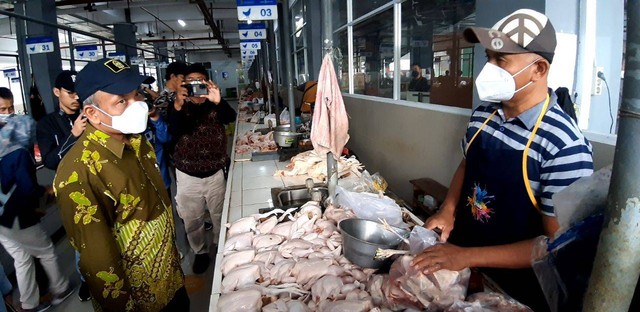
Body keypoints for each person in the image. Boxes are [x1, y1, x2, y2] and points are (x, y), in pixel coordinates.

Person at [411, 9, 594, 311]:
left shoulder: (563, 145)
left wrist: (467, 257)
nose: (490, 68)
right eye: (489, 57)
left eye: (502, 59)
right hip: (464, 258)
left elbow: (554, 245)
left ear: (539, 68)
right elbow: (468, 163)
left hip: (518, 288)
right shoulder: (485, 113)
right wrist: (448, 210)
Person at [53, 58, 187, 311]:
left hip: (171, 280)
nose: (137, 105)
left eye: (136, 95)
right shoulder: (79, 172)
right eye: (121, 101)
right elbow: (97, 259)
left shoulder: (138, 143)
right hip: (139, 300)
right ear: (91, 113)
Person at [0, 88, 73, 312]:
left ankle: (29, 304)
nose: (9, 114)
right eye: (2, 110)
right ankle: (60, 289)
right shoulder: (18, 152)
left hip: (2, 220)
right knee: (46, 251)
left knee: (22, 260)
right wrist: (48, 192)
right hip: (18, 216)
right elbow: (28, 189)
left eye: (11, 108)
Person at [168, 63, 236, 274]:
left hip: (215, 173)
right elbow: (173, 131)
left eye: (200, 81)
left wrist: (218, 100)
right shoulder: (178, 105)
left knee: (219, 215)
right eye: (191, 82)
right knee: (193, 219)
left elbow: (230, 118)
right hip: (187, 176)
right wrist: (179, 104)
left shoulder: (214, 103)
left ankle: (220, 246)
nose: (196, 86)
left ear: (207, 82)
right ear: (184, 84)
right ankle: (200, 252)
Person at [35, 70, 92, 302]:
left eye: (78, 92)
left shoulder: (91, 114)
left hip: (97, 182)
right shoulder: (47, 124)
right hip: (73, 191)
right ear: (57, 92)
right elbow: (49, 161)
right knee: (82, 239)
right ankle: (87, 280)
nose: (76, 97)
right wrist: (73, 135)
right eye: (70, 92)